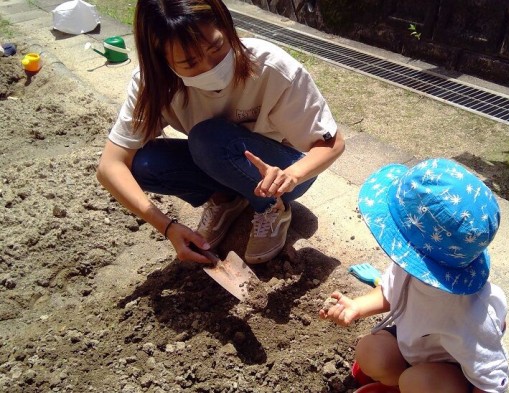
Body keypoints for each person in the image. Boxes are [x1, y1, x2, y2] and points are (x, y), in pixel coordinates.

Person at [96, 0, 344, 264]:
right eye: (189, 63)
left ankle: (272, 208)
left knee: (208, 139)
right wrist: (167, 227)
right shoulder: (154, 85)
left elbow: (333, 143)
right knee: (144, 164)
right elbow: (110, 166)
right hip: (217, 155)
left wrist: (292, 175)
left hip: (286, 170)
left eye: (216, 48)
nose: (210, 66)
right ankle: (225, 198)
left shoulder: (271, 67)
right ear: (162, 61)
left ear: (226, 27)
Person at [319, 158, 509, 393]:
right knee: (370, 352)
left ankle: (408, 385)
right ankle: (399, 384)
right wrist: (356, 308)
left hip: (451, 370)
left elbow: (491, 380)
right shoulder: (412, 267)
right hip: (414, 346)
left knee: (418, 383)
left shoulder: (473, 315)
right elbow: (390, 291)